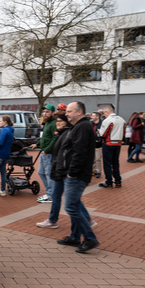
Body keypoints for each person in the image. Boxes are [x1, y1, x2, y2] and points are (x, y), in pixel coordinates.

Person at [37, 114, 97, 229]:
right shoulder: (63, 133)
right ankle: (83, 222)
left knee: (70, 201)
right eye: (56, 121)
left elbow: (72, 153)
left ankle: (86, 228)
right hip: (61, 170)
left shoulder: (69, 133)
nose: (57, 123)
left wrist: (70, 171)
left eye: (60, 121)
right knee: (62, 197)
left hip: (65, 171)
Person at [56, 101, 99, 253]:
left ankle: (90, 238)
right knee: (74, 204)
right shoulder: (79, 126)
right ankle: (75, 237)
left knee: (71, 206)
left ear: (79, 112)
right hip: (75, 173)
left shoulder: (82, 127)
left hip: (77, 174)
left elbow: (79, 152)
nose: (66, 114)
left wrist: (72, 172)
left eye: (69, 111)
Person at [31, 104, 56, 203]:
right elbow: (45, 138)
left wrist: (47, 150)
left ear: (53, 113)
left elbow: (55, 139)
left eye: (47, 112)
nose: (45, 114)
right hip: (43, 152)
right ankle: (49, 193)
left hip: (48, 154)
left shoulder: (53, 123)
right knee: (41, 172)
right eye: (44, 112)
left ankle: (51, 195)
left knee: (48, 174)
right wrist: (36, 144)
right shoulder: (47, 123)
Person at [98, 105, 125, 188]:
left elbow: (103, 133)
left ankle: (109, 182)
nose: (103, 115)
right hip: (118, 143)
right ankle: (118, 181)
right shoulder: (122, 119)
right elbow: (123, 132)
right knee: (115, 162)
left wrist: (99, 132)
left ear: (107, 112)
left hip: (109, 143)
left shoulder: (108, 120)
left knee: (107, 163)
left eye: (104, 113)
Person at [0, 115, 14, 196]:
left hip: (0, 153)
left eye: (1, 121)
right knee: (3, 172)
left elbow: (0, 143)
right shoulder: (10, 130)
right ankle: (3, 190)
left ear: (5, 122)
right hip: (6, 153)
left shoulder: (5, 130)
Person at [91, 112, 102, 178]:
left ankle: (98, 171)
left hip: (98, 143)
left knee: (98, 158)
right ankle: (93, 170)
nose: (92, 117)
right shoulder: (90, 123)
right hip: (91, 143)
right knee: (92, 158)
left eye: (93, 116)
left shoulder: (102, 124)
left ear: (97, 117)